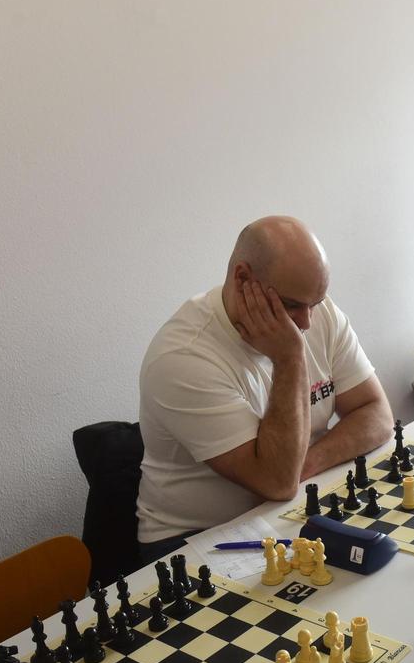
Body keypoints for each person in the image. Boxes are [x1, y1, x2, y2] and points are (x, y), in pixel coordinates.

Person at [136, 216, 393, 563]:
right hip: (195, 542)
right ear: (243, 279)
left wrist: (305, 463)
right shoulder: (182, 357)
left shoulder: (315, 310)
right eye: (291, 306)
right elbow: (276, 481)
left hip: (287, 508)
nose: (306, 323)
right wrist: (290, 359)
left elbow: (377, 413)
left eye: (316, 303)